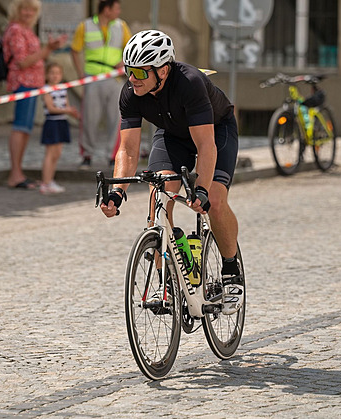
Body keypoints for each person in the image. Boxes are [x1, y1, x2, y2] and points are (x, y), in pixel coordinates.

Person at [100, 30, 244, 315]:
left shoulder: (190, 83)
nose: (133, 78)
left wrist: (201, 189)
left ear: (163, 70)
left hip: (215, 131)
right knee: (159, 197)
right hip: (173, 136)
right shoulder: (131, 92)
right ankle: (169, 282)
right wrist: (117, 192)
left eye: (141, 72)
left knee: (214, 199)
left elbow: (205, 146)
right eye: (130, 70)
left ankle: (231, 271)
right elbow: (128, 150)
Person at [3, 0, 66, 189]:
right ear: (18, 10)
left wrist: (48, 48)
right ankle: (15, 174)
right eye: (25, 9)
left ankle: (18, 173)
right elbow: (22, 61)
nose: (28, 13)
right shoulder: (16, 30)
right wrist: (47, 50)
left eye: (32, 10)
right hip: (23, 83)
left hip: (32, 84)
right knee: (20, 127)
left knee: (25, 129)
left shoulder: (27, 29)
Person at [70, 0, 131, 170]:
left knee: (116, 117)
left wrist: (124, 62)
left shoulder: (121, 26)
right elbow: (75, 49)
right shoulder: (85, 26)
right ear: (107, 9)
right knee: (90, 117)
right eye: (116, 8)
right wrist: (80, 73)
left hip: (115, 78)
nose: (119, 11)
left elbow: (130, 49)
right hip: (93, 78)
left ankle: (112, 157)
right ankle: (87, 155)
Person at [39, 62, 80, 195]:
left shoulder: (63, 88)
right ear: (47, 75)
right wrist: (67, 110)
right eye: (52, 73)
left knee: (57, 154)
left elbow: (66, 105)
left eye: (58, 73)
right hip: (52, 123)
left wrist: (71, 112)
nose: (55, 76)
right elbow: (51, 108)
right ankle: (45, 182)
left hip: (62, 121)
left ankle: (50, 180)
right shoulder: (46, 89)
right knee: (50, 154)